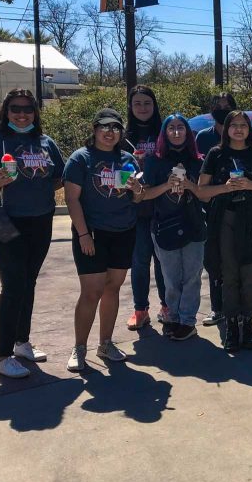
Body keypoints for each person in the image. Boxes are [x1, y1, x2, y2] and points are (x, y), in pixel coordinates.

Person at [0, 89, 65, 379]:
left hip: (41, 219)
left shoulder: (45, 143)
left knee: (29, 281)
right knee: (13, 285)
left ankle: (22, 342)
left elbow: (59, 177)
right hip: (4, 219)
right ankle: (3, 355)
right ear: (5, 112)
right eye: (15, 109)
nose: (22, 114)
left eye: (27, 109)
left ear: (35, 112)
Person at [62, 108, 142, 371]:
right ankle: (80, 347)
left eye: (116, 128)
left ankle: (105, 343)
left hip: (123, 231)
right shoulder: (81, 159)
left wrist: (138, 190)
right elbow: (72, 199)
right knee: (92, 291)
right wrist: (83, 234)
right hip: (92, 232)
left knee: (112, 288)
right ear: (95, 130)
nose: (110, 133)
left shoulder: (128, 159)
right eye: (105, 127)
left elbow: (138, 198)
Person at [200, 110, 252, 351]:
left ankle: (248, 322)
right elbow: (202, 190)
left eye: (243, 125)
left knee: (249, 275)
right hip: (225, 218)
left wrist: (251, 184)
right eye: (233, 125)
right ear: (225, 128)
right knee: (229, 274)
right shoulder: (216, 154)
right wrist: (224, 188)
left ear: (249, 129)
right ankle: (232, 324)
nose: (238, 129)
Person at [142, 114, 207, 341]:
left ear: (188, 133)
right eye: (172, 128)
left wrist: (189, 184)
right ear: (164, 133)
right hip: (164, 225)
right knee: (170, 278)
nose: (177, 132)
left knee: (191, 277)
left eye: (181, 128)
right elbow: (144, 195)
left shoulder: (199, 160)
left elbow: (206, 195)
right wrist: (166, 185)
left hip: (193, 225)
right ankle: (173, 317)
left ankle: (187, 321)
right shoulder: (154, 160)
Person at [124, 85, 167, 330]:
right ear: (130, 107)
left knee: (163, 261)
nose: (142, 108)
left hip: (163, 206)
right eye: (137, 103)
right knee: (140, 261)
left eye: (147, 103)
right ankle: (141, 309)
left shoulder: (164, 132)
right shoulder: (122, 135)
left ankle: (167, 305)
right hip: (136, 208)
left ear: (154, 106)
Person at [194, 92, 238, 328]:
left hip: (239, 208)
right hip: (210, 207)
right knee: (214, 259)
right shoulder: (202, 138)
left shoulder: (240, 136)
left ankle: (240, 309)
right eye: (217, 107)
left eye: (227, 106)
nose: (222, 110)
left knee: (238, 259)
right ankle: (217, 308)